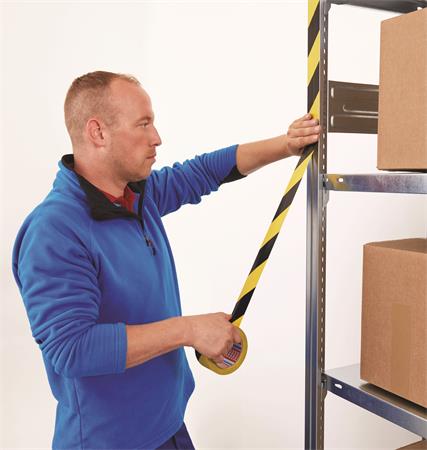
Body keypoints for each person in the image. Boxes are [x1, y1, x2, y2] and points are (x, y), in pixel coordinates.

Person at [12, 71, 320, 450]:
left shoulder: (136, 197)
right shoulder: (55, 230)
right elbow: (72, 349)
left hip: (168, 426)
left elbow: (203, 171)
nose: (156, 137)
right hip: (110, 442)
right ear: (98, 132)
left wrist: (287, 145)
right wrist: (188, 330)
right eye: (143, 124)